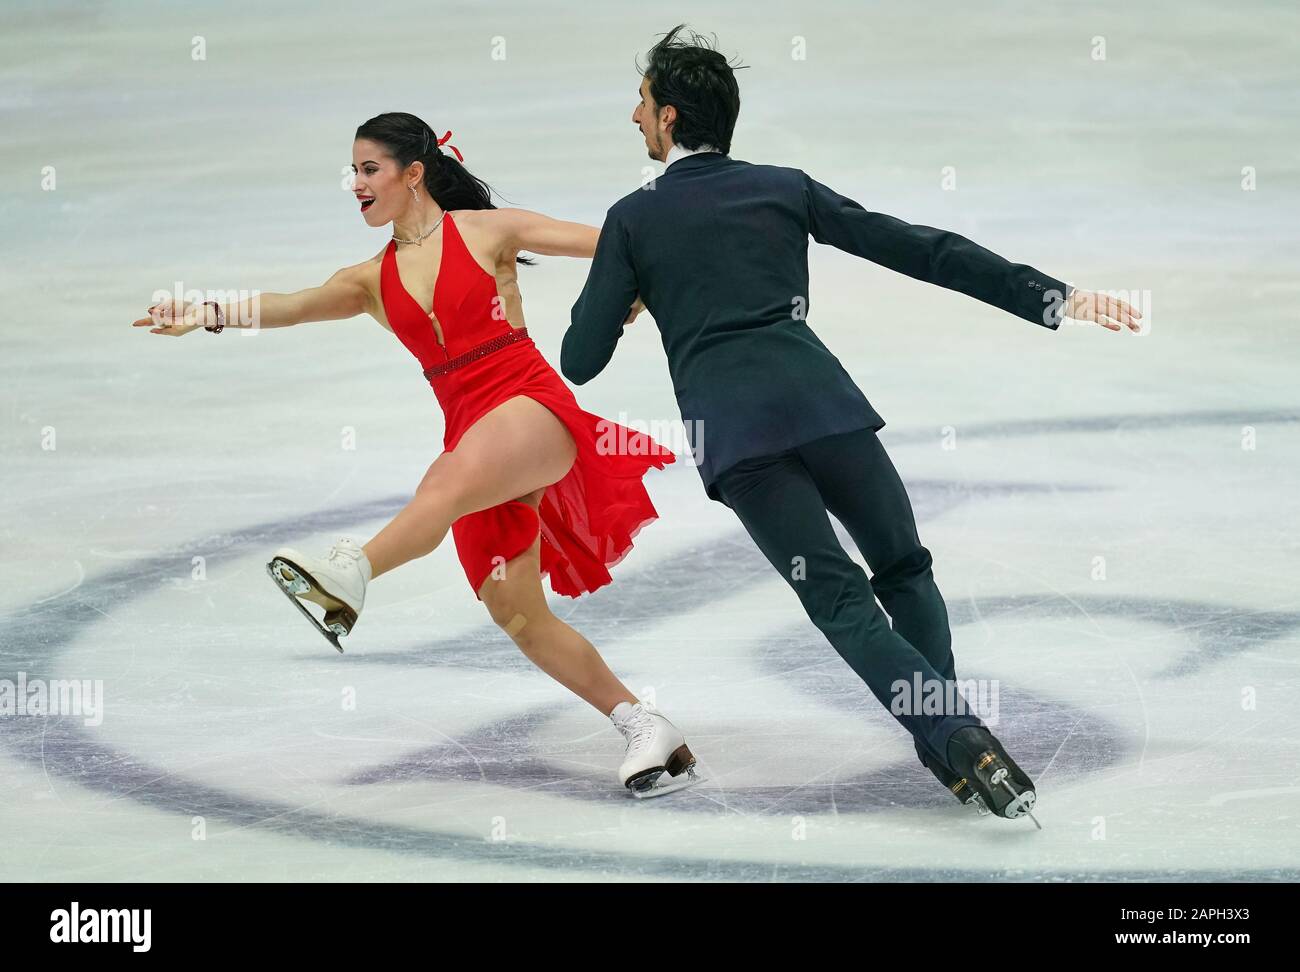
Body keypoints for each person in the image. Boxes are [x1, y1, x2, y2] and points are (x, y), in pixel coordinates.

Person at [562, 26, 1142, 822]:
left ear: (667, 117)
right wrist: (1050, 295)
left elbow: (580, 359)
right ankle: (949, 741)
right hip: (829, 409)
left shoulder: (633, 218)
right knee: (905, 570)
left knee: (842, 607)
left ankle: (954, 735)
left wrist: (630, 298)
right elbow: (918, 248)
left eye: (640, 104)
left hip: (738, 440)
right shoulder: (782, 186)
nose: (633, 117)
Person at [132, 112, 698, 797]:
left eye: (369, 170)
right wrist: (205, 312)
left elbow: (614, 242)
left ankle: (349, 572)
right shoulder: (371, 279)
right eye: (353, 172)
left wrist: (635, 292)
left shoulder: (489, 231)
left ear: (414, 173)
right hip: (470, 432)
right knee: (517, 615)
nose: (356, 184)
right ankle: (645, 726)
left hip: (530, 407)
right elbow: (295, 304)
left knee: (447, 481)